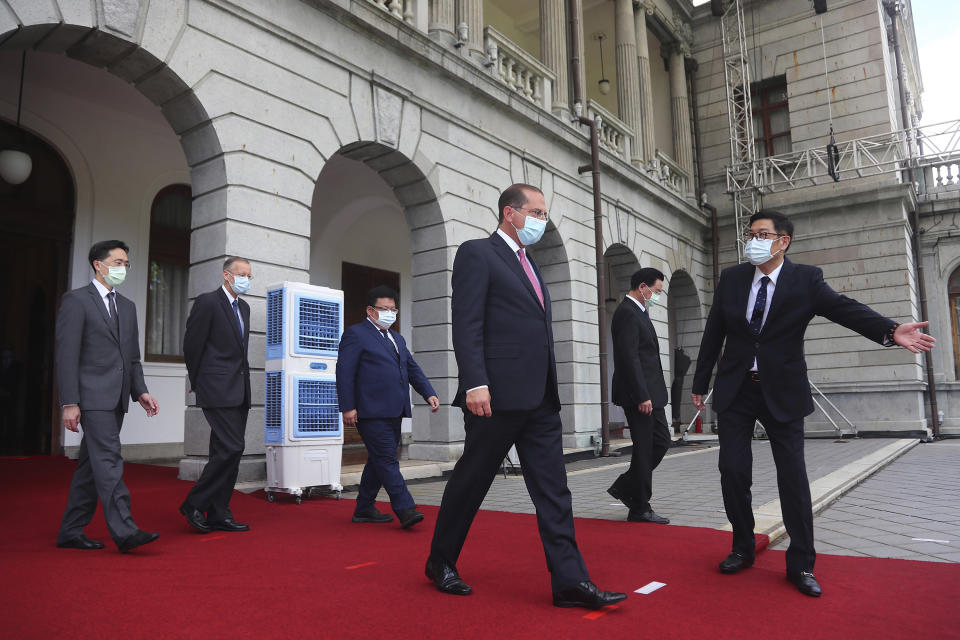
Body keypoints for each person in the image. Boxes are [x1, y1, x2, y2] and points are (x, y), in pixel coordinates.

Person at [691, 210, 935, 597]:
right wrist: (700, 381)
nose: (752, 240)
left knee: (793, 478)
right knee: (733, 471)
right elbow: (714, 330)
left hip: (783, 392)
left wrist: (889, 330)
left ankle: (801, 563)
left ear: (783, 241)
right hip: (736, 389)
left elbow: (844, 308)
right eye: (750, 233)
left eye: (762, 234)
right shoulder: (733, 278)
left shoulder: (805, 280)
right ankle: (742, 546)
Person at [425, 183, 627, 609]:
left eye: (544, 212)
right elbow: (466, 322)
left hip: (539, 399)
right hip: (495, 397)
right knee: (471, 482)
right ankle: (440, 562)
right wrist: (475, 382)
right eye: (535, 211)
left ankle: (570, 582)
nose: (542, 219)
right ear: (509, 213)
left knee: (554, 490)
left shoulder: (530, 262)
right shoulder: (477, 253)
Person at [55, 240, 160, 553]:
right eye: (117, 262)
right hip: (91, 397)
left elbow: (132, 356)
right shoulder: (76, 301)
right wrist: (70, 402)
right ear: (98, 265)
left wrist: (140, 390)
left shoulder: (127, 307)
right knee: (110, 459)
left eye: (126, 263)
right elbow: (67, 355)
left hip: (117, 399)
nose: (122, 269)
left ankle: (70, 531)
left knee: (91, 466)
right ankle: (126, 531)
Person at [336, 285, 440, 528]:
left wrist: (428, 392)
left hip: (395, 409)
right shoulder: (356, 334)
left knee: (379, 459)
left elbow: (411, 368)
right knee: (387, 459)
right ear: (370, 311)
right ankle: (406, 508)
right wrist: (347, 407)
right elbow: (345, 372)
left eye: (394, 309)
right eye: (385, 309)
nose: (390, 314)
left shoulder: (397, 338)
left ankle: (364, 508)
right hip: (369, 411)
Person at [179, 257, 253, 534]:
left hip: (239, 389)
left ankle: (219, 512)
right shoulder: (208, 302)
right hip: (215, 387)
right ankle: (194, 503)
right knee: (233, 447)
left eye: (249, 275)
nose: (245, 279)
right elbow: (192, 345)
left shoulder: (243, 308)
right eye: (241, 274)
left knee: (226, 452)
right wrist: (197, 380)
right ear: (226, 275)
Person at [607, 268, 672, 525]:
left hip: (650, 394)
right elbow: (629, 358)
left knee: (661, 442)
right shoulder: (626, 313)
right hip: (640, 396)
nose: (656, 296)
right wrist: (641, 395)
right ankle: (640, 507)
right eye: (656, 291)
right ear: (642, 287)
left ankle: (626, 488)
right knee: (645, 449)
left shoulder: (639, 311)